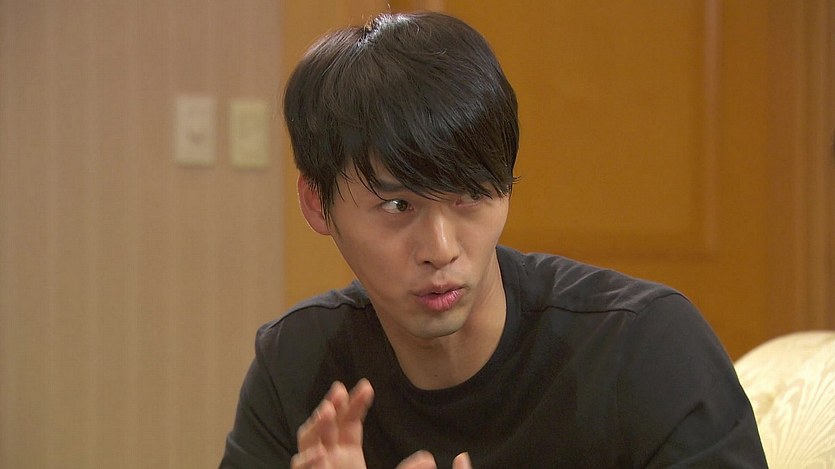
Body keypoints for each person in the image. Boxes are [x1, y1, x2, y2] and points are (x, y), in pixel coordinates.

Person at [220, 11, 767, 469]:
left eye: (469, 195)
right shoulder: (297, 364)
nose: (440, 248)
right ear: (317, 203)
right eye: (397, 206)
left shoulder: (645, 345)